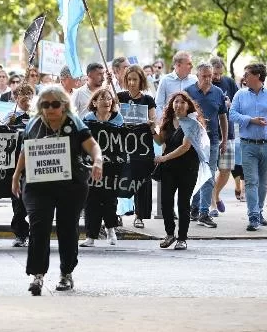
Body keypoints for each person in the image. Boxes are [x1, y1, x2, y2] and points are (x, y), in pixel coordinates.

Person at [11, 85, 104, 295]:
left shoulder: (74, 122)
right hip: (38, 185)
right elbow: (26, 151)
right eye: (45, 104)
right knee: (38, 226)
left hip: (70, 184)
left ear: (64, 105)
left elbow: (92, 146)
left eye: (55, 104)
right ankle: (37, 275)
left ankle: (66, 272)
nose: (50, 108)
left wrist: (98, 161)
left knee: (67, 227)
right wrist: (16, 175)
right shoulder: (34, 124)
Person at [229, 63, 267, 231]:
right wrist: (250, 120)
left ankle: (259, 211)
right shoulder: (240, 95)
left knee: (263, 183)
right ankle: (253, 215)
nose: (244, 77)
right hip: (247, 145)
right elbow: (232, 114)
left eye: (247, 74)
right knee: (251, 181)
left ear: (258, 76)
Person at [153, 92, 208, 251]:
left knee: (183, 204)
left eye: (182, 102)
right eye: (176, 102)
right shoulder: (168, 122)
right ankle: (170, 234)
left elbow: (185, 147)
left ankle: (182, 238)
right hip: (169, 169)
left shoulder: (193, 123)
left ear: (188, 106)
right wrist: (151, 129)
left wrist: (163, 158)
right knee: (166, 203)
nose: (178, 105)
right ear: (171, 105)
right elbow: (160, 140)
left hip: (187, 168)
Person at [185, 62, 227, 229]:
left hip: (213, 140)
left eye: (210, 76)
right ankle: (194, 207)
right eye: (205, 76)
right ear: (198, 75)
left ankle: (204, 212)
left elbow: (223, 116)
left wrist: (224, 138)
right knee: (194, 174)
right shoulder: (188, 92)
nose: (208, 79)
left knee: (209, 175)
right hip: (193, 140)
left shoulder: (218, 93)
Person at [81, 88, 124, 247]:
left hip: (113, 166)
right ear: (94, 102)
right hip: (92, 165)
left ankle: (111, 230)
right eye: (102, 99)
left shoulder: (118, 119)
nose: (107, 102)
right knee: (91, 199)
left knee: (110, 199)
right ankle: (90, 236)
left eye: (109, 99)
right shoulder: (87, 119)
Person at [117, 65, 157, 228]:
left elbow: (154, 121)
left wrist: (151, 123)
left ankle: (139, 215)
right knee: (119, 180)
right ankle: (116, 214)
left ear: (141, 81)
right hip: (124, 146)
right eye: (129, 79)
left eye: (135, 79)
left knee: (141, 181)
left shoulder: (148, 100)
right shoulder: (119, 97)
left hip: (142, 147)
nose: (132, 83)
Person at [2, 83, 36, 247]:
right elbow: (1, 133)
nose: (26, 98)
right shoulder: (11, 114)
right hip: (16, 162)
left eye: (29, 95)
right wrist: (9, 123)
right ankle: (20, 233)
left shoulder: (37, 114)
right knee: (18, 200)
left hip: (36, 163)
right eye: (22, 96)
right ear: (15, 98)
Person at [210, 56, 240, 207]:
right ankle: (212, 203)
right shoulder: (204, 83)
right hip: (209, 134)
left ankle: (215, 193)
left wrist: (230, 104)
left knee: (226, 169)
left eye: (219, 73)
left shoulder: (229, 82)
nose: (217, 77)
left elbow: (239, 101)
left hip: (228, 133)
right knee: (208, 170)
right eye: (214, 74)